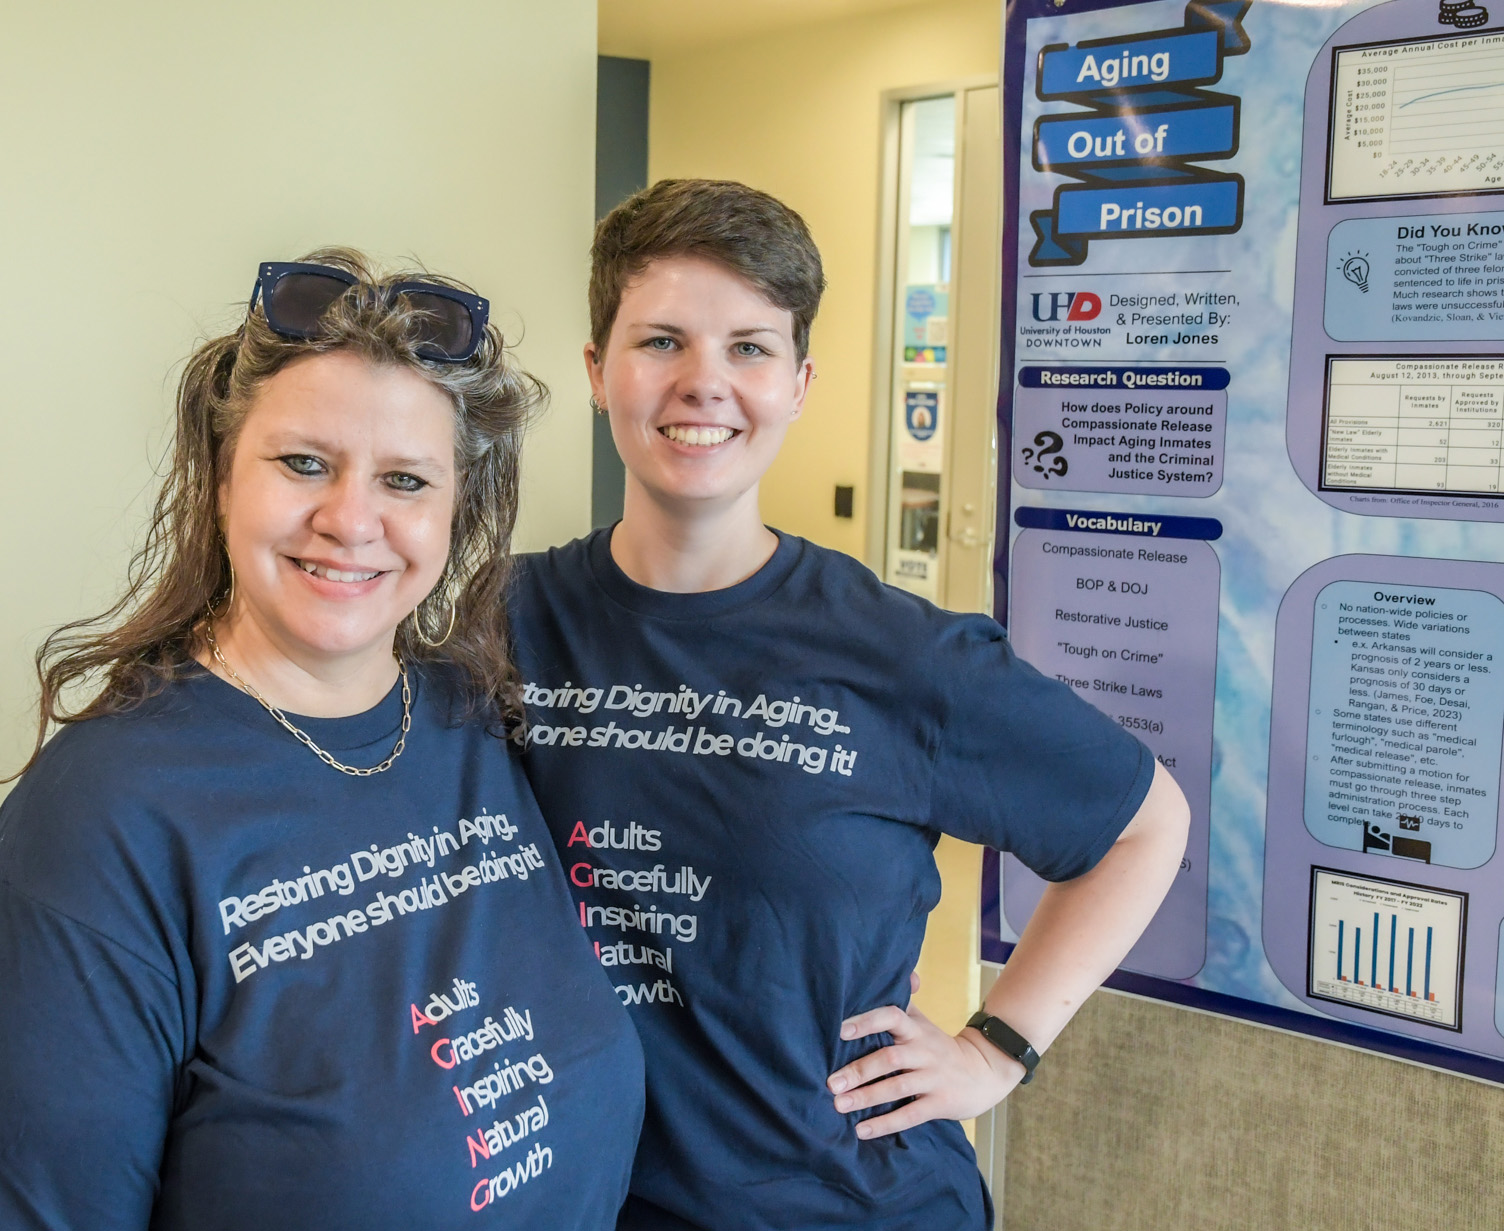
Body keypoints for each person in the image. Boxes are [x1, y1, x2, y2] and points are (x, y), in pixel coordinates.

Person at [507, 180, 1190, 1229]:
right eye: (661, 341)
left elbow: (1143, 824)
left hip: (844, 1199)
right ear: (599, 371)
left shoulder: (903, 655)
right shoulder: (504, 622)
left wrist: (995, 1049)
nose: (704, 382)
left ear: (798, 383)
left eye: (749, 347)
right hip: (588, 1197)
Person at [0, 251, 643, 1229]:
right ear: (222, 479)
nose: (350, 520)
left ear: (455, 511)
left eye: (405, 480)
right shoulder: (97, 820)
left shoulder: (476, 718)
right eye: (303, 463)